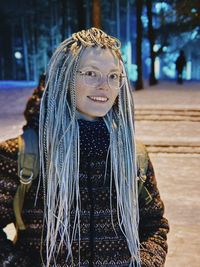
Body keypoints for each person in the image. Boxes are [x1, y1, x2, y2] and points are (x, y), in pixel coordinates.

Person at [0, 28, 169, 267]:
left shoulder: (132, 156)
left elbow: (155, 225)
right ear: (64, 76)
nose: (105, 86)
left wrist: (146, 262)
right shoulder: (23, 155)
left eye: (113, 76)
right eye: (91, 73)